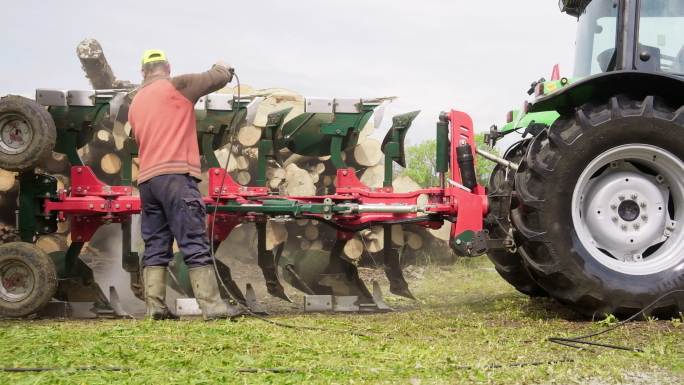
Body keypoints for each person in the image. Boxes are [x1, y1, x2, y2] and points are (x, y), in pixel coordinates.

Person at [128, 49, 233, 320]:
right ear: (167, 67)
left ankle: (155, 308)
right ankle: (213, 307)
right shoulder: (176, 86)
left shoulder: (136, 102)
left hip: (148, 182)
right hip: (175, 176)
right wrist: (223, 65)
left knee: (155, 244)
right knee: (193, 239)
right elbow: (216, 77)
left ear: (143, 72)